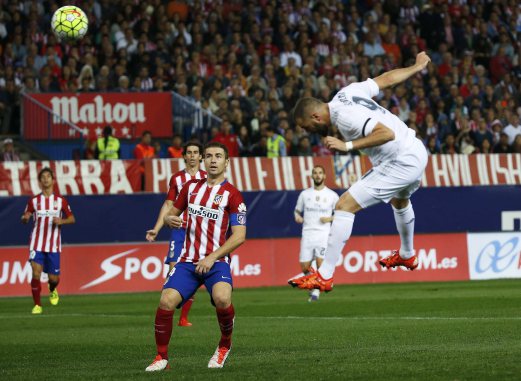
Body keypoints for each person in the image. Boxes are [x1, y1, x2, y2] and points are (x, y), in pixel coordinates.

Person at [289, 52, 431, 292]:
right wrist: (416, 67)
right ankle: (407, 254)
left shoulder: (345, 119)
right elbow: (386, 79)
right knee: (400, 200)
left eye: (307, 127)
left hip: (400, 159)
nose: (308, 131)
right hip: (415, 149)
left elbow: (386, 133)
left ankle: (324, 275)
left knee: (344, 205)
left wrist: (347, 146)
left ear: (315, 116)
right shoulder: (347, 93)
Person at [145, 142, 246, 371]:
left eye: (218, 156)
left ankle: (224, 346)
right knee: (165, 300)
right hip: (188, 260)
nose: (212, 160)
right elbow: (172, 214)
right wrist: (170, 220)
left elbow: (239, 236)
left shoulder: (233, 195)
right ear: (203, 160)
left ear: (226, 162)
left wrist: (212, 257)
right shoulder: (190, 187)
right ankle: (162, 357)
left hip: (217, 262)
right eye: (209, 156)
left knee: (222, 299)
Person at [146, 142, 206, 327]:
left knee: (194, 276)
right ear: (184, 156)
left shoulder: (208, 177)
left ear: (201, 156)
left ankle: (183, 318)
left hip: (201, 234)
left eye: (196, 152)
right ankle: (169, 309)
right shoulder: (177, 178)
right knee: (173, 273)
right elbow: (168, 205)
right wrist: (157, 228)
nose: (193, 156)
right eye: (189, 152)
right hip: (180, 231)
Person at [20, 167, 76, 314]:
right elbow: (26, 215)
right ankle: (37, 305)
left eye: (48, 176)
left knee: (54, 279)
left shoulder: (60, 201)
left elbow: (72, 219)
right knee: (36, 273)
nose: (46, 179)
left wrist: (62, 221)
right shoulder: (34, 201)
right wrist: (25, 218)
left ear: (52, 180)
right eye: (43, 177)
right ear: (40, 181)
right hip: (36, 243)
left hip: (53, 245)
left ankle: (52, 289)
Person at [294, 165, 339, 302]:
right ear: (312, 176)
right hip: (307, 233)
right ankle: (315, 286)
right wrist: (298, 217)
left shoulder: (332, 195)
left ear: (324, 176)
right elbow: (297, 211)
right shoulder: (305, 194)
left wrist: (329, 218)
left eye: (320, 173)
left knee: (320, 263)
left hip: (323, 234)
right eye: (315, 173)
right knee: (304, 267)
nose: (318, 175)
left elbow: (341, 214)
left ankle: (316, 291)